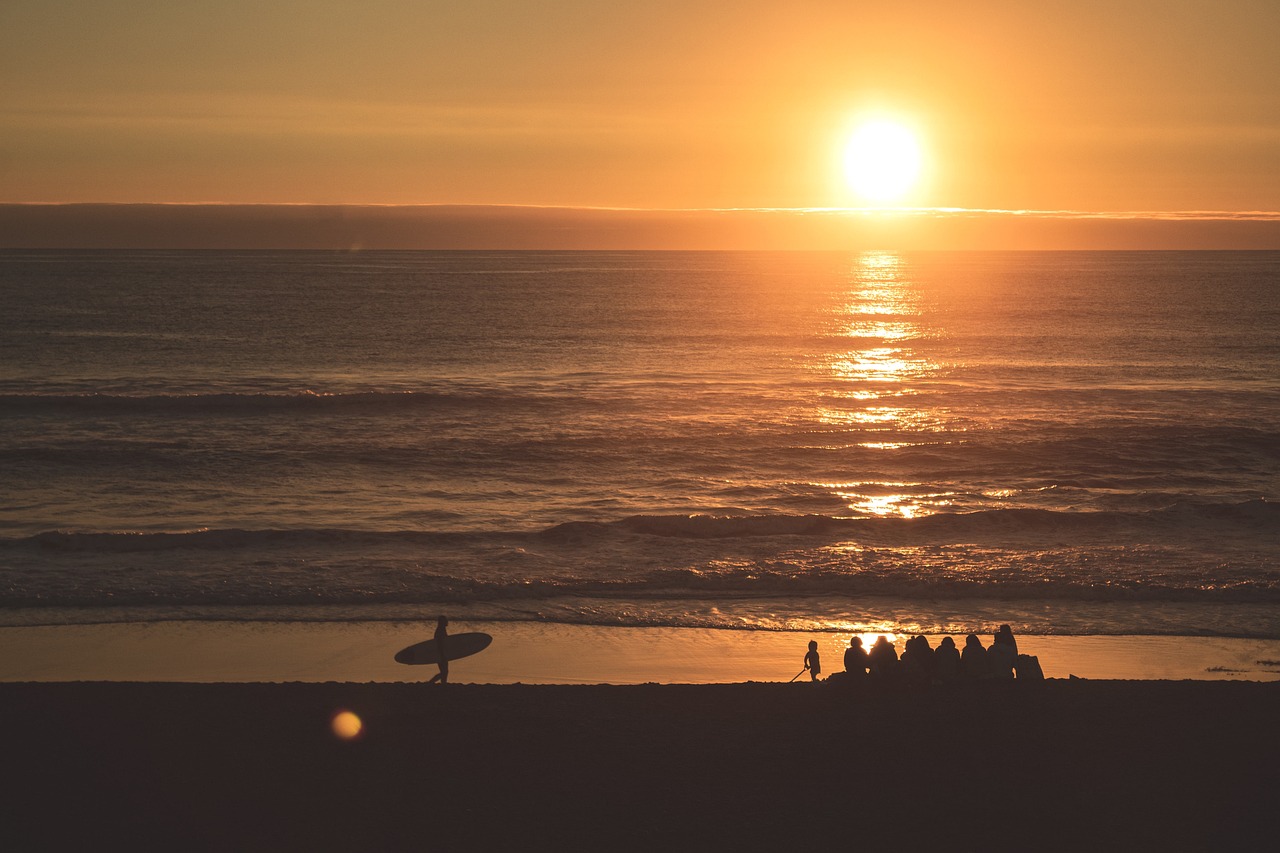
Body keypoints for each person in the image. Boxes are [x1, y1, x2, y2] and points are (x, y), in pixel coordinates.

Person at [427, 615, 450, 684]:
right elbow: (439, 644)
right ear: (442, 622)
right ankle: (431, 682)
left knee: (444, 671)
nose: (447, 621)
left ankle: (443, 683)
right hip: (440, 653)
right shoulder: (440, 630)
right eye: (446, 620)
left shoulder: (441, 629)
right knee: (444, 671)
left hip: (441, 653)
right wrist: (442, 654)